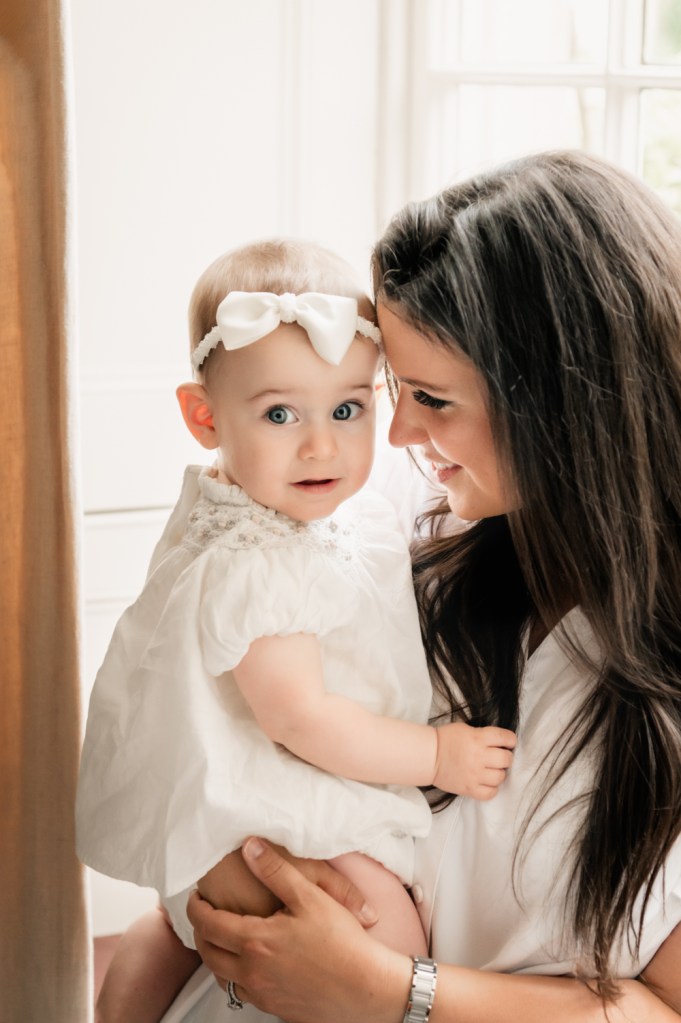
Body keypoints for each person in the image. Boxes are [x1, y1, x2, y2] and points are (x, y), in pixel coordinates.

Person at [180, 150, 681, 1023]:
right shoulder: (400, 535)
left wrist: (389, 994)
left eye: (432, 399)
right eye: (391, 391)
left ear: (561, 405)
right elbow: (229, 768)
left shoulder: (650, 671)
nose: (400, 430)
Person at [76, 239, 517, 1023]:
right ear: (202, 416)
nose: (321, 445)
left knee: (169, 930)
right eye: (281, 413)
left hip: (219, 794)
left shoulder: (248, 507)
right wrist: (437, 755)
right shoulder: (261, 562)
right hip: (272, 793)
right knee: (389, 927)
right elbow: (300, 718)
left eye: (347, 409)